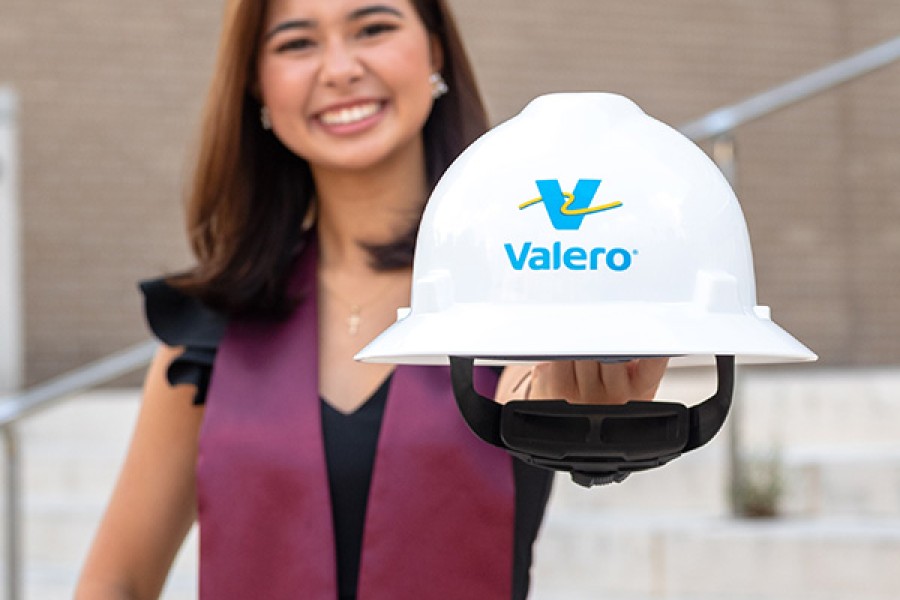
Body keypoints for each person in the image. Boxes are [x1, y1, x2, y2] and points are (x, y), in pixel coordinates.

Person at [75, 1, 668, 598]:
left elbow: (553, 395)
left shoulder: (518, 286)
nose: (339, 68)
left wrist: (589, 415)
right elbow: (115, 581)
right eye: (296, 43)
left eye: (374, 28)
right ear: (256, 82)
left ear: (435, 51)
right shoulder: (207, 334)